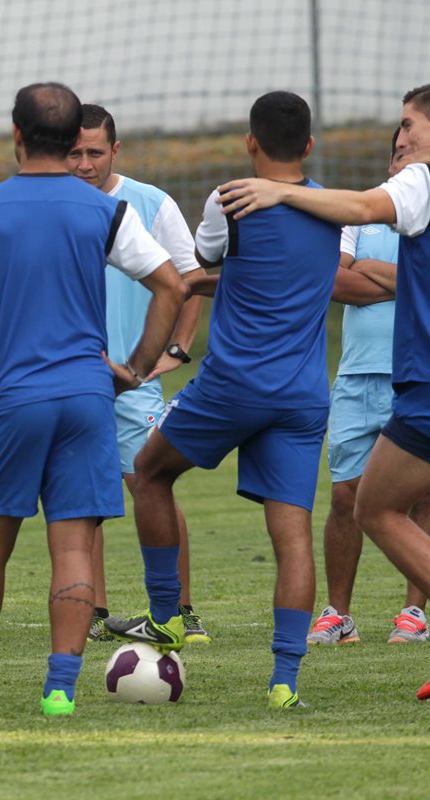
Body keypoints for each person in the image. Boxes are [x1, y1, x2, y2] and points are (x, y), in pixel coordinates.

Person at [0, 82, 186, 716]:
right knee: (71, 548)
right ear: (74, 143)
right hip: (87, 400)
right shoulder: (105, 209)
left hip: (13, 402)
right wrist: (136, 370)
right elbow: (171, 285)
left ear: (15, 135)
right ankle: (60, 691)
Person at [107, 91, 340, 710]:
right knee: (292, 535)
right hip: (302, 396)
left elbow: (207, 259)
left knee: (150, 474)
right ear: (310, 147)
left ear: (250, 142)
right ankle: (285, 680)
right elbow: (280, 271)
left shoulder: (229, 199)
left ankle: (166, 617)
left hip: (234, 385)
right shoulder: (334, 208)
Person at [218, 84, 430, 700]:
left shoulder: (421, 180)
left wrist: (282, 189)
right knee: (368, 503)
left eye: (410, 124)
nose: (400, 137)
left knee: (375, 507)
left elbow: (363, 208)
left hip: (421, 382)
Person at [65, 104, 209, 644]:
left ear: (115, 151)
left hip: (134, 379)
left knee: (152, 484)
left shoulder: (151, 203)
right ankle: (95, 612)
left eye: (94, 152)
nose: (84, 163)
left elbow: (190, 280)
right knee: (80, 496)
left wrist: (176, 350)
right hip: (71, 379)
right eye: (74, 153)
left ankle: (182, 608)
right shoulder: (52, 205)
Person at [308, 131, 429, 646]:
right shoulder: (360, 218)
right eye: (395, 150)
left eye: (410, 146)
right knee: (345, 497)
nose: (401, 153)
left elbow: (360, 280)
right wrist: (412, 280)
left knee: (421, 501)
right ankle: (340, 613)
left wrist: (372, 275)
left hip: (415, 380)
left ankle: (413, 613)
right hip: (357, 376)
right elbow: (337, 282)